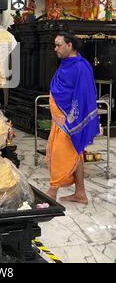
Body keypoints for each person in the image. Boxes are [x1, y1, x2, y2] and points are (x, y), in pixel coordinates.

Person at [46, 31, 100, 204]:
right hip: (60, 118)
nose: (56, 49)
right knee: (76, 153)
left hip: (69, 120)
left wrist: (72, 118)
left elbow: (83, 95)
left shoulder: (81, 67)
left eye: (58, 45)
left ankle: (52, 190)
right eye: (55, 45)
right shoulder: (66, 63)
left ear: (70, 45)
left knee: (61, 153)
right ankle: (80, 193)